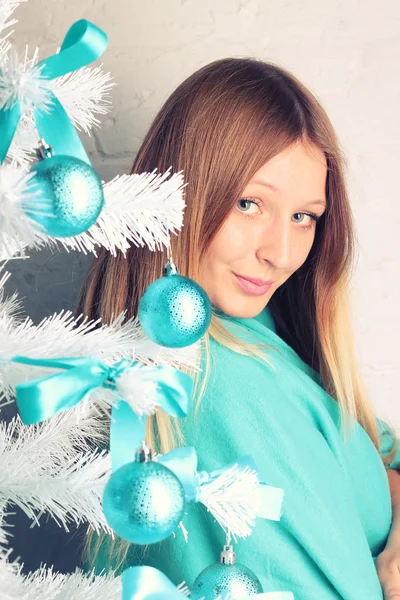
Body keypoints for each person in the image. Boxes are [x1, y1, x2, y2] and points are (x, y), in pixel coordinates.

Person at [77, 57, 400, 599]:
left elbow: (379, 451)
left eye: (304, 217)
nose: (279, 254)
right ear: (178, 195)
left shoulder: (254, 327)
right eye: (249, 204)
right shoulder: (217, 382)